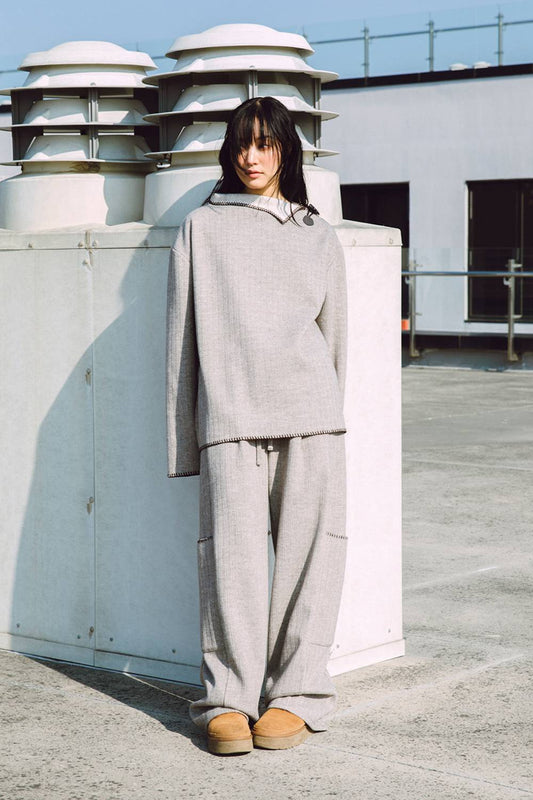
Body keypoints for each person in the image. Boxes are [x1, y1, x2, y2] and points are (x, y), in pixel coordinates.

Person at [166, 96, 348, 756]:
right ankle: (228, 700)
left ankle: (297, 693)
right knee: (230, 562)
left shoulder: (315, 232)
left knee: (311, 555)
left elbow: (335, 339)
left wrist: (331, 415)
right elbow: (181, 342)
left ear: (285, 150)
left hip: (311, 414)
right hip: (231, 415)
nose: (251, 156)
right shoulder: (201, 228)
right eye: (242, 143)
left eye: (265, 143)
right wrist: (184, 440)